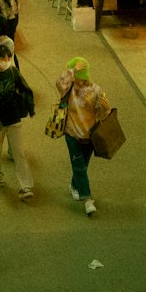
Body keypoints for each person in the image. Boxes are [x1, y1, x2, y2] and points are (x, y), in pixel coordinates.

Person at [55, 55, 111, 216]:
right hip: (71, 134)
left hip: (90, 135)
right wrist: (71, 71)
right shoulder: (68, 88)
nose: (77, 81)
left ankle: (74, 186)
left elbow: (104, 112)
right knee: (79, 166)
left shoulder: (96, 91)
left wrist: (104, 110)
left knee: (82, 167)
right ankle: (88, 200)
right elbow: (59, 83)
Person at [0, 42, 35, 198]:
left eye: (8, 57)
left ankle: (26, 186)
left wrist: (30, 108)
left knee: (19, 152)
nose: (6, 60)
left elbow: (25, 88)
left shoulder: (13, 71)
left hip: (13, 118)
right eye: (3, 58)